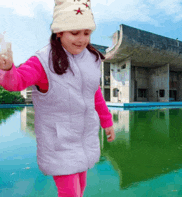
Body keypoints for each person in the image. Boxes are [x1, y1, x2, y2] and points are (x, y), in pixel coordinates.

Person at [0, 0, 115, 196]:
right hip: (59, 142)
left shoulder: (89, 59)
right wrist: (7, 68)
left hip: (84, 138)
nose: (81, 39)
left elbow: (94, 94)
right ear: (59, 32)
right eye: (75, 32)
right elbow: (16, 82)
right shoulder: (43, 61)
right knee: (70, 192)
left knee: (81, 187)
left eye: (86, 33)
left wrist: (107, 121)